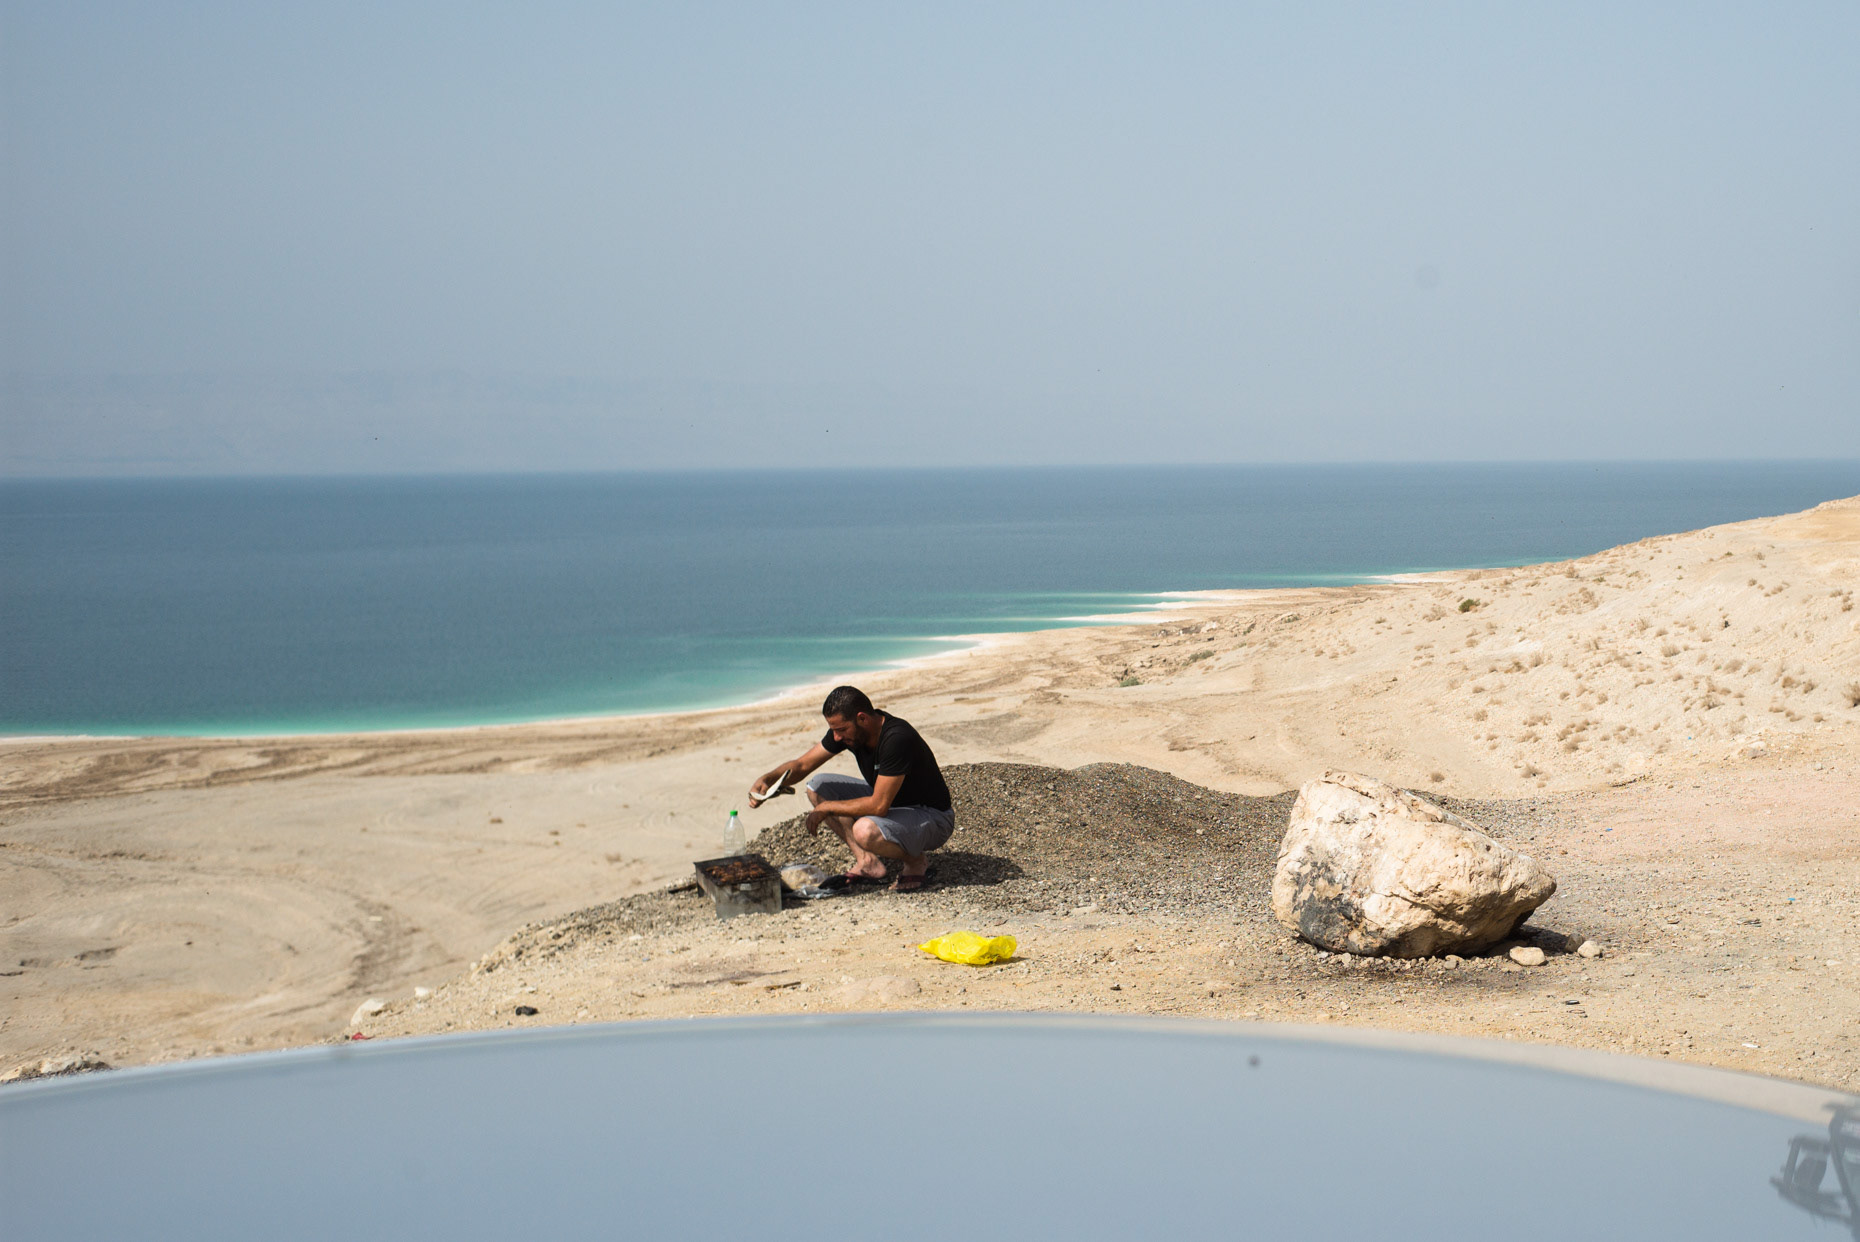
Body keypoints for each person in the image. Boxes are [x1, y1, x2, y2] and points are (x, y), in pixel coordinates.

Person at [748, 685, 954, 892]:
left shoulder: (896, 738)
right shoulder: (851, 732)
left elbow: (879, 806)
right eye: (834, 730)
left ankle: (916, 862)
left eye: (841, 730)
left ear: (862, 718)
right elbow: (803, 765)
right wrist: (769, 779)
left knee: (864, 830)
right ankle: (867, 862)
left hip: (931, 817)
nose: (836, 737)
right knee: (817, 787)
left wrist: (828, 808)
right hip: (893, 803)